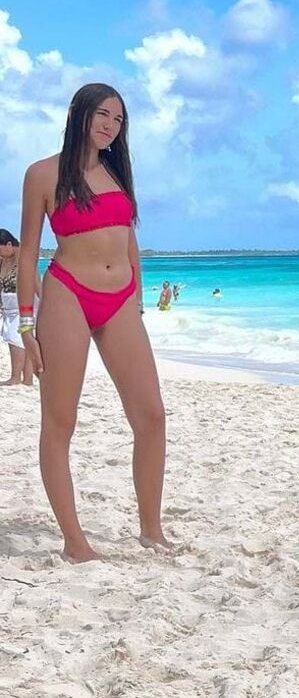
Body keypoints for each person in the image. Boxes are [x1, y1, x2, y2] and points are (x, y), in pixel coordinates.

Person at [17, 82, 171, 562]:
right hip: (68, 294)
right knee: (60, 420)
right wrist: (26, 326)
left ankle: (151, 530)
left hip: (121, 300)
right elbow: (27, 252)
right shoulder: (42, 174)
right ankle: (75, 543)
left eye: (118, 119)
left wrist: (138, 296)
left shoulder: (116, 173)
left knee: (151, 415)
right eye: (102, 114)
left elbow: (128, 237)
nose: (110, 126)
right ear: (77, 113)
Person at [1, 229, 38, 386]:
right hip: (8, 307)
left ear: (9, 244)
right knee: (19, 339)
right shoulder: (3, 260)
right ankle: (27, 379)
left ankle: (16, 377)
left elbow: (36, 283)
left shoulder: (24, 259)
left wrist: (46, 307)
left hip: (24, 307)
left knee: (15, 338)